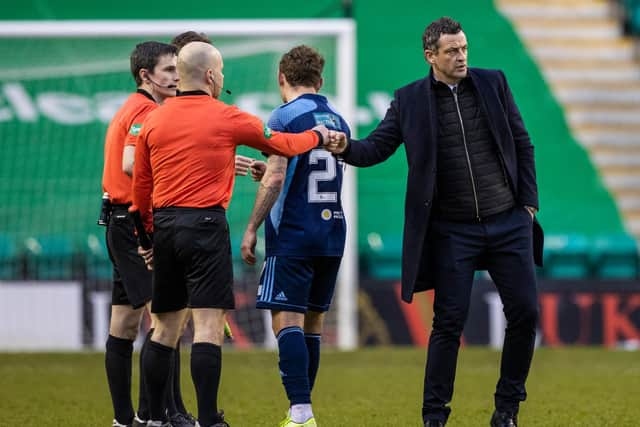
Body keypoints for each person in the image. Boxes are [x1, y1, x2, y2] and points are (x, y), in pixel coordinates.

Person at [325, 16, 543, 427]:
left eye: (463, 48)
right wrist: (344, 147)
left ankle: (507, 409)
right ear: (431, 56)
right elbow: (376, 148)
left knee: (526, 314)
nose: (461, 56)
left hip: (507, 222)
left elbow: (522, 142)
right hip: (453, 231)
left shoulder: (494, 82)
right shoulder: (408, 100)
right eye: (452, 51)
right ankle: (434, 416)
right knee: (448, 323)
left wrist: (528, 204)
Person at [131, 41, 331, 427]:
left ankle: (150, 418)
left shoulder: (154, 119)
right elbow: (284, 145)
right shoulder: (227, 116)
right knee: (206, 326)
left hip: (167, 227)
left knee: (164, 328)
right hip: (205, 227)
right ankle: (208, 419)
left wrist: (145, 240)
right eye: (220, 72)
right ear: (210, 76)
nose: (222, 78)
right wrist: (317, 136)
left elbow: (141, 190)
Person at [240, 45, 350, 427]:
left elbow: (277, 176)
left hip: (294, 233)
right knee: (314, 323)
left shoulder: (284, 115)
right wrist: (268, 170)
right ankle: (300, 410)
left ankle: (301, 412)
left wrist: (252, 227)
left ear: (281, 79)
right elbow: (305, 173)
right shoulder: (338, 120)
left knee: (286, 320)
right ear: (320, 81)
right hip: (332, 230)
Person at [100, 40, 179, 427]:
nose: (176, 76)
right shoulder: (146, 111)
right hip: (133, 226)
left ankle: (124, 419)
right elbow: (133, 165)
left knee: (125, 324)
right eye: (168, 70)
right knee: (165, 321)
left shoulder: (133, 108)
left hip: (118, 221)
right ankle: (157, 416)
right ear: (145, 75)